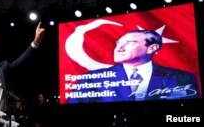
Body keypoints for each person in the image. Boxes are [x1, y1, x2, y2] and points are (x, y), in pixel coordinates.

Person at [67, 29, 201, 103]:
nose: (118, 49)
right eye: (118, 44)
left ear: (151, 48)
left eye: (129, 43)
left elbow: (188, 118)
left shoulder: (181, 78)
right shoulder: (91, 79)